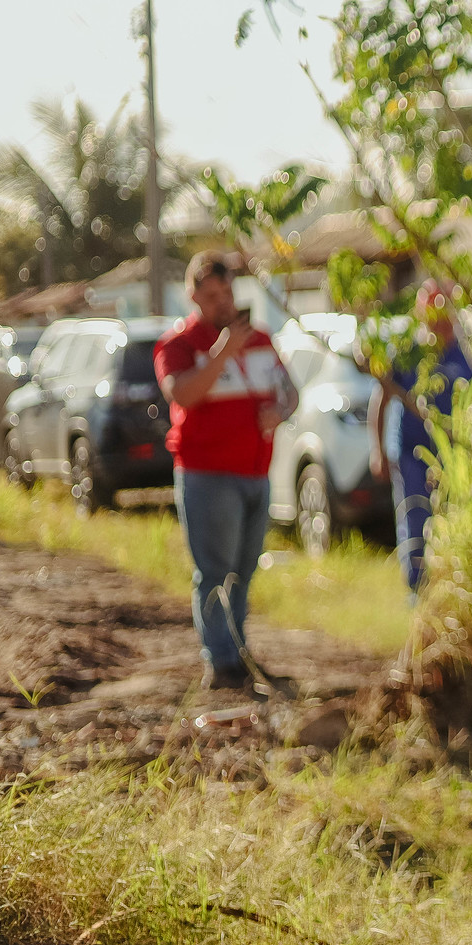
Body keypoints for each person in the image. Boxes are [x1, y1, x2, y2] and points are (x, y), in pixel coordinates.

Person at [155, 252, 297, 692]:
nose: (223, 303)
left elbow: (289, 390)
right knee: (214, 571)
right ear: (194, 296)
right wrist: (220, 354)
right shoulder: (178, 345)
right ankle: (220, 663)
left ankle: (238, 652)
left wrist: (281, 411)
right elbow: (184, 394)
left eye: (228, 293)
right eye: (212, 296)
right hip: (208, 474)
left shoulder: (259, 338)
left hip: (256, 472)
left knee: (244, 570)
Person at [367, 280, 472, 591]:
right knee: (415, 521)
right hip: (411, 453)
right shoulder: (407, 351)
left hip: (454, 458)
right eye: (432, 313)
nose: (439, 322)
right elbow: (382, 398)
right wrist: (378, 450)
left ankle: (448, 592)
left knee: (453, 524)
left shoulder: (464, 354)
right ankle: (418, 596)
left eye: (444, 313)